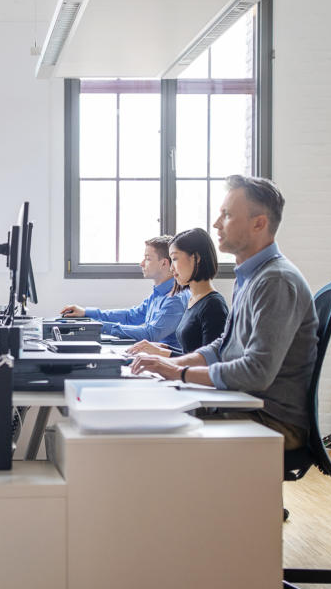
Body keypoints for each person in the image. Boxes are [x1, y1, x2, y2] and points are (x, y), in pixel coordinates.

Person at [130, 175, 317, 451]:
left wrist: (179, 374)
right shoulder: (250, 276)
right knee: (145, 415)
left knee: (152, 432)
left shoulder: (276, 281)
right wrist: (174, 366)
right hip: (244, 403)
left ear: (259, 223)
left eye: (227, 215)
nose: (217, 224)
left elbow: (256, 372)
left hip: (271, 419)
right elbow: (223, 346)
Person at [59, 235, 188, 346]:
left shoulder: (175, 299)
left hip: (165, 364)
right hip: (151, 356)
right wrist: (86, 313)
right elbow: (130, 316)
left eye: (148, 258)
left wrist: (99, 326)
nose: (141, 263)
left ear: (164, 263)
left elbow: (150, 334)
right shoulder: (158, 294)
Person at [126, 228, 228, 357]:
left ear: (196, 258)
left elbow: (210, 362)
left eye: (174, 259)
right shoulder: (194, 300)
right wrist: (164, 348)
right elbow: (192, 353)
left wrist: (164, 353)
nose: (171, 267)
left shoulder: (213, 306)